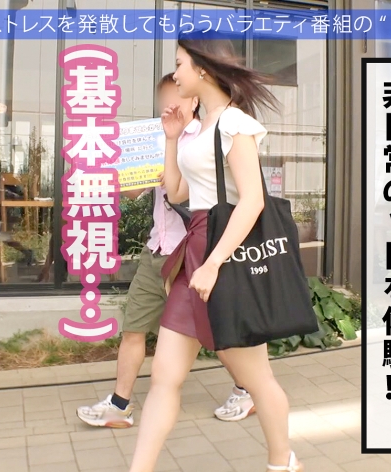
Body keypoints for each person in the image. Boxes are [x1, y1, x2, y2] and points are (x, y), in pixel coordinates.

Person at [128, 37, 304, 472]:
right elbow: (176, 193)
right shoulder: (202, 126)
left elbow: (253, 200)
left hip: (224, 256)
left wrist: (213, 264)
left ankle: (282, 462)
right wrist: (172, 139)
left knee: (256, 379)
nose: (175, 75)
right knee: (164, 377)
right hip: (196, 254)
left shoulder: (234, 124)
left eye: (180, 65)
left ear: (203, 69)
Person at [76, 73, 256, 429]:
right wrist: (118, 173)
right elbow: (133, 193)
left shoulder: (207, 138)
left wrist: (175, 175)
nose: (170, 105)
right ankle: (120, 405)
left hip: (193, 254)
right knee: (134, 327)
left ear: (194, 99)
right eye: (165, 100)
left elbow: (224, 193)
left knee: (211, 329)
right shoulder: (155, 139)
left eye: (179, 96)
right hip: (157, 248)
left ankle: (247, 389)